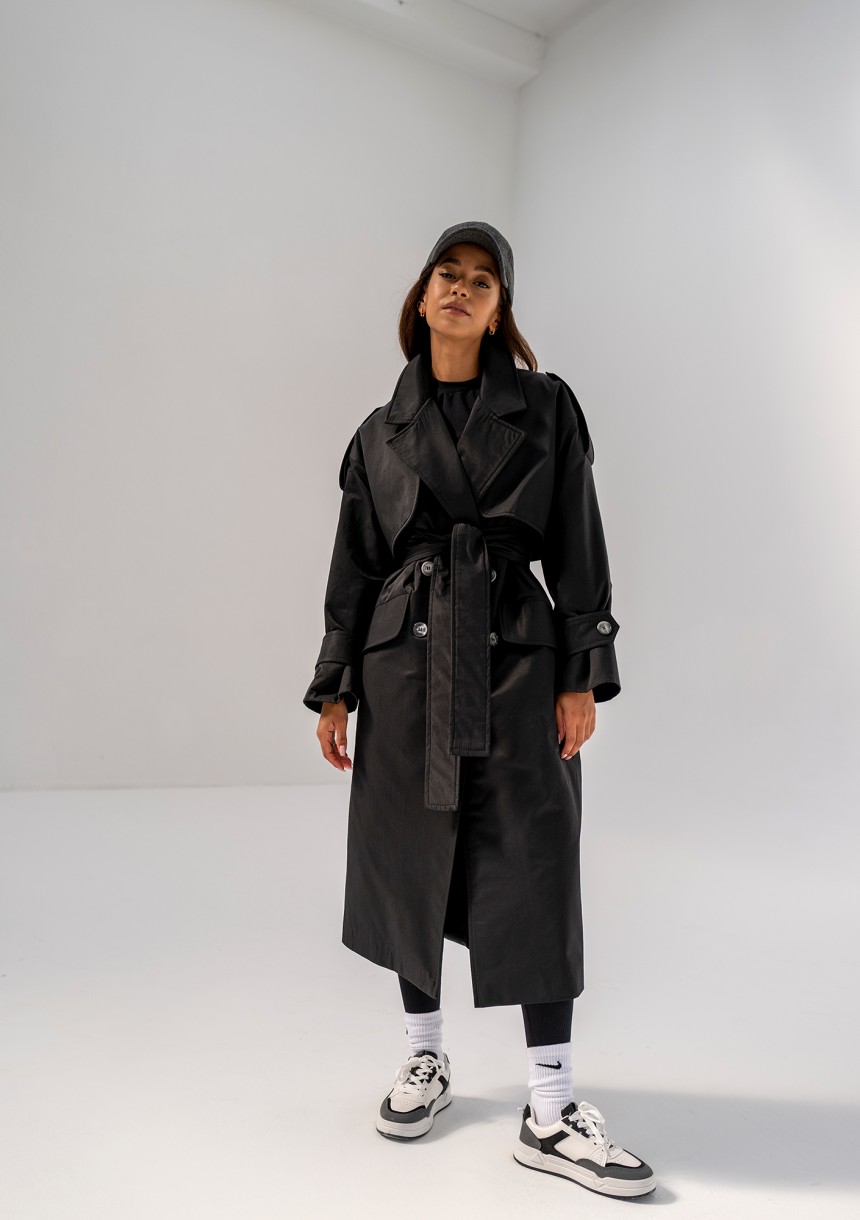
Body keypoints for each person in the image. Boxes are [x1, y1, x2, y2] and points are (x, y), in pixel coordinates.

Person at [304, 221, 656, 1197]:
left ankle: (550, 1104)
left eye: (482, 280)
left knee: (534, 858)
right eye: (447, 275)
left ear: (500, 310)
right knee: (409, 854)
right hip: (403, 667)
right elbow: (354, 566)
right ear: (422, 297)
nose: (461, 289)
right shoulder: (378, 433)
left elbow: (577, 539)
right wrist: (336, 683)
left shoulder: (544, 406)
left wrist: (581, 670)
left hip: (514, 660)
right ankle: (425, 1055)